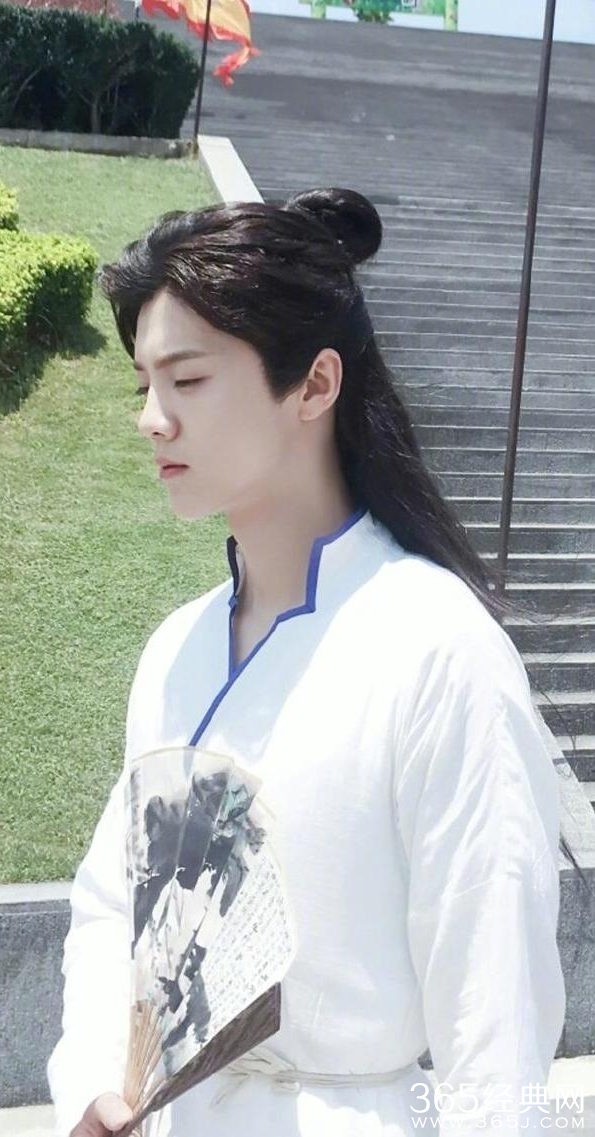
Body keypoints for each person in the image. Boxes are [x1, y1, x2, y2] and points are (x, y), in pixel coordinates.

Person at [47, 187, 571, 1137]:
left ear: (316, 384)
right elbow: (109, 902)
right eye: (143, 384)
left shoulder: (436, 646)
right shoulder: (177, 651)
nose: (152, 418)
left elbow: (495, 1017)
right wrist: (93, 1074)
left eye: (187, 379)